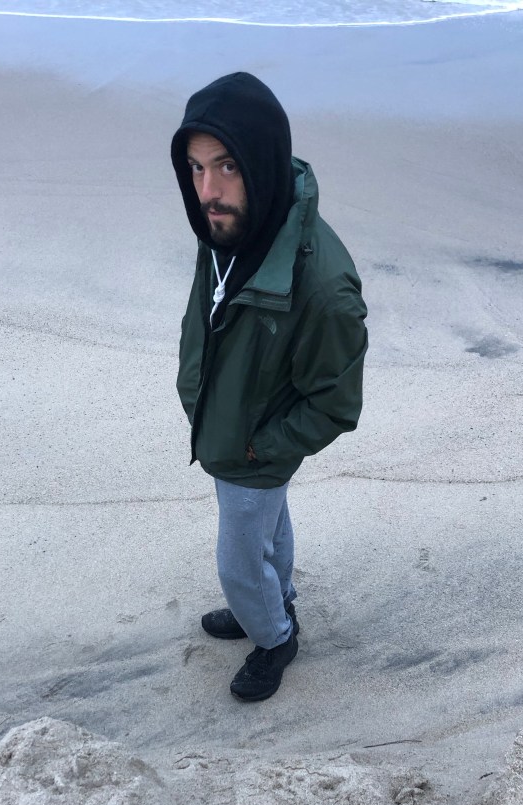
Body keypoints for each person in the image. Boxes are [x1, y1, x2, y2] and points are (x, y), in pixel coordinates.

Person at [171, 72, 368, 702]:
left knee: (237, 562)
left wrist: (261, 447)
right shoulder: (226, 228)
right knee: (269, 531)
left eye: (227, 166)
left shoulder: (324, 289)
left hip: (253, 449)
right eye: (197, 168)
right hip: (227, 427)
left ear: (260, 160)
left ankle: (275, 636)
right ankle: (272, 602)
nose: (208, 191)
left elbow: (336, 404)